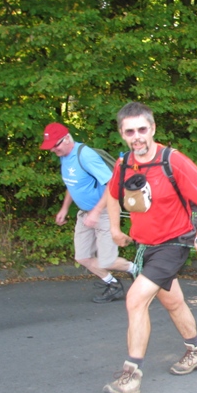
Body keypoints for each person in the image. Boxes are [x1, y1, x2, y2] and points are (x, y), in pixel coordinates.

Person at [103, 102, 197, 393]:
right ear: (122, 134)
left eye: (142, 129)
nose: (137, 136)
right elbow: (111, 195)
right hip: (147, 247)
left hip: (174, 243)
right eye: (130, 131)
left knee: (135, 300)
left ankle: (131, 375)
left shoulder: (173, 160)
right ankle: (196, 350)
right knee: (173, 302)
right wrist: (116, 229)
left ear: (153, 129)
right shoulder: (124, 164)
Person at [40, 123, 137, 303]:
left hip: (105, 212)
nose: (53, 150)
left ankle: (136, 269)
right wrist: (65, 208)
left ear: (67, 138)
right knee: (82, 257)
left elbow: (111, 184)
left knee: (107, 260)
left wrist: (96, 211)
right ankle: (113, 284)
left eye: (56, 145)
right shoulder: (64, 156)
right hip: (85, 214)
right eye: (51, 146)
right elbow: (73, 184)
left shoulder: (85, 156)